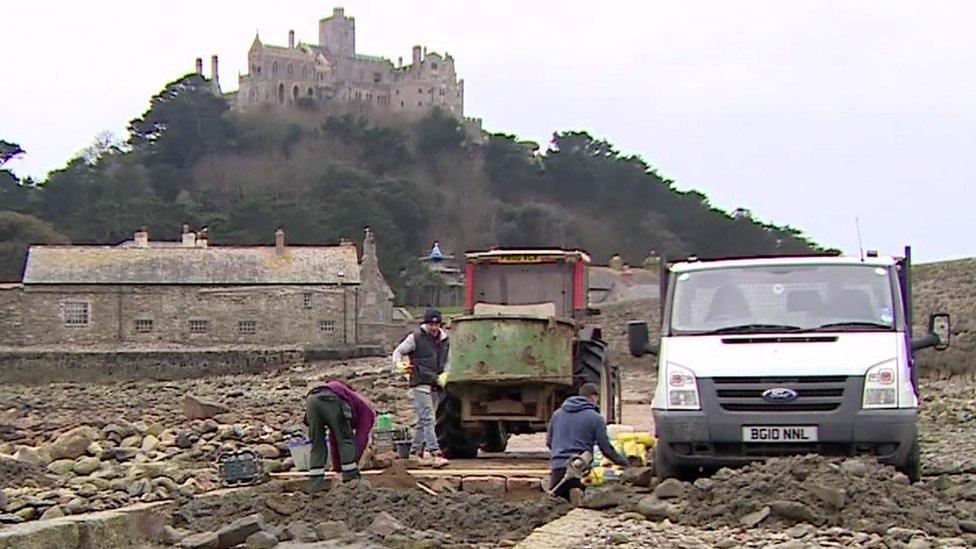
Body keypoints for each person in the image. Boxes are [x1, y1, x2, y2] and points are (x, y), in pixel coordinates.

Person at [546, 383, 629, 502]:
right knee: (579, 506)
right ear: (593, 397)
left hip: (557, 468)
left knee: (554, 507)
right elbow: (605, 449)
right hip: (580, 470)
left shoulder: (557, 414)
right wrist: (623, 463)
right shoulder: (595, 418)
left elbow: (549, 442)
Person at [392, 308, 450, 467]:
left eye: (437, 323)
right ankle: (435, 452)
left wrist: (446, 374)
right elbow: (398, 352)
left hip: (436, 384)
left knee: (422, 420)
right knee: (429, 418)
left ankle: (414, 452)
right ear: (426, 324)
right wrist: (399, 365)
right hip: (420, 382)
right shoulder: (415, 338)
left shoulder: (445, 340)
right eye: (431, 324)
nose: (434, 327)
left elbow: (447, 360)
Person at [304, 379, 376, 489]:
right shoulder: (367, 411)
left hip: (311, 399)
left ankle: (315, 485)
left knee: (317, 442)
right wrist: (353, 462)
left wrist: (337, 468)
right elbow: (360, 439)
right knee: (346, 437)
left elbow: (333, 438)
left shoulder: (350, 398)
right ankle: (351, 478)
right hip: (330, 398)